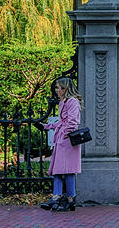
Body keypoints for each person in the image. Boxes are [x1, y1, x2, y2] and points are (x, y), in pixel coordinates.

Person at [40, 77, 82, 212]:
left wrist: (64, 135)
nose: (57, 90)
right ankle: (68, 198)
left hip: (67, 141)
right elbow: (62, 122)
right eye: (57, 88)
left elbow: (72, 123)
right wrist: (48, 126)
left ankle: (59, 197)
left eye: (59, 88)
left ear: (66, 89)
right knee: (61, 170)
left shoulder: (72, 102)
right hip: (63, 140)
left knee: (64, 170)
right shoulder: (63, 102)